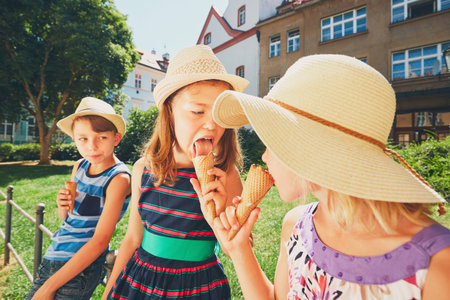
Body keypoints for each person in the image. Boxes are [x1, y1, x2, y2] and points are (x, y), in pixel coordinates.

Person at [203, 54, 450, 299]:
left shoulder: (437, 263)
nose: (265, 156)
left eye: (274, 140)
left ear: (312, 147)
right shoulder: (296, 227)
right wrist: (239, 249)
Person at [103, 45, 249, 299]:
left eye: (219, 114)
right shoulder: (143, 169)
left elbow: (237, 249)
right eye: (197, 111)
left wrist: (223, 212)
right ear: (170, 110)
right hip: (142, 280)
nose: (211, 124)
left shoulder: (227, 175)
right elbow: (133, 237)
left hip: (200, 285)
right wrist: (107, 294)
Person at [26, 97, 131, 300]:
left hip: (80, 268)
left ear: (116, 138)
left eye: (101, 137)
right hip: (53, 256)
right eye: (83, 138)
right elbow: (68, 219)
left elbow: (100, 241)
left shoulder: (119, 178)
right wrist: (62, 205)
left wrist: (49, 287)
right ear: (74, 138)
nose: (91, 146)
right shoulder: (79, 166)